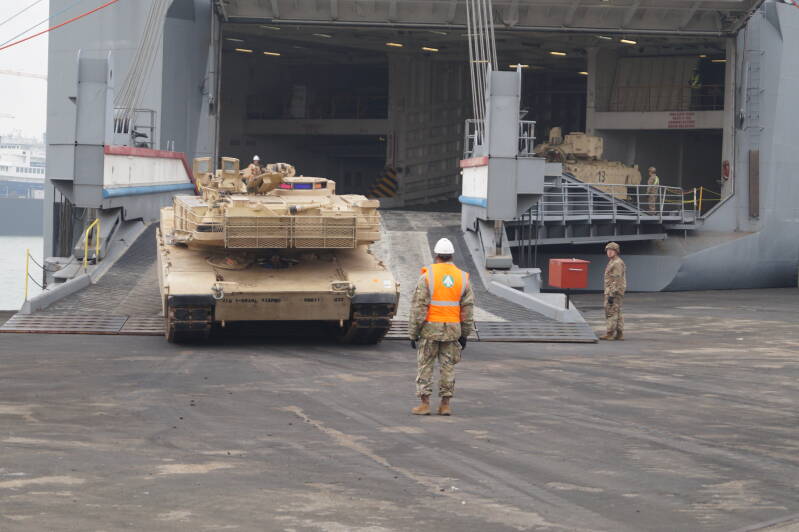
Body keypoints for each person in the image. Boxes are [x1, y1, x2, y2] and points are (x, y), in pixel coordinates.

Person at [408, 237, 475, 416]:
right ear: (452, 255)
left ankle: (424, 404)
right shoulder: (463, 278)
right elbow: (467, 309)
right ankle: (445, 405)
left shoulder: (427, 276)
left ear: (436, 255)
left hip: (430, 329)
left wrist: (413, 333)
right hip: (453, 331)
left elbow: (419, 307)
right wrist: (465, 333)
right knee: (448, 367)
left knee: (425, 365)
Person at [601, 242, 626, 341]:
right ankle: (619, 333)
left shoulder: (617, 263)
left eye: (612, 250)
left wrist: (611, 294)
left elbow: (617, 279)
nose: (609, 252)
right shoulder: (613, 261)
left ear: (616, 251)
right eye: (608, 250)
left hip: (614, 291)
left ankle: (610, 333)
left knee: (610, 311)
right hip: (614, 291)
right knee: (617, 311)